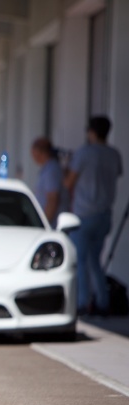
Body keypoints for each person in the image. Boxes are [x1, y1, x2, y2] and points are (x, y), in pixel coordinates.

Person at [64, 115, 123, 316]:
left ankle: (81, 303)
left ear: (92, 132)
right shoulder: (114, 154)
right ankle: (102, 302)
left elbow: (68, 182)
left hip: (83, 214)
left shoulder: (84, 153)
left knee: (80, 260)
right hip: (104, 214)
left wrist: (65, 167)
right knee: (95, 260)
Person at [31, 136, 69, 226]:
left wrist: (43, 223)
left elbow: (52, 199)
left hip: (52, 225)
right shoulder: (47, 168)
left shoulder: (52, 169)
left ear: (40, 152)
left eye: (33, 151)